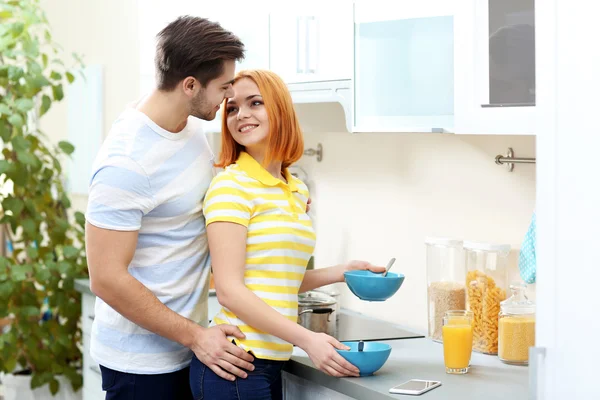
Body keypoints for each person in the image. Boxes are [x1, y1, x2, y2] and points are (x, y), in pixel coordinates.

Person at [85, 16, 255, 400]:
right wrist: (196, 336)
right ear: (190, 85)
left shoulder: (191, 127)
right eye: (224, 87)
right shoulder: (126, 163)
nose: (228, 98)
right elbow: (106, 277)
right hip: (140, 364)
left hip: (185, 348)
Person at [190, 69, 385, 400]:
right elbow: (229, 291)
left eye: (255, 103)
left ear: (279, 109)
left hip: (267, 365)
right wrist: (307, 339)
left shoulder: (294, 189)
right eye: (233, 107)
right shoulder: (230, 185)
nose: (242, 115)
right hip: (236, 364)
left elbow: (277, 278)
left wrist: (343, 272)